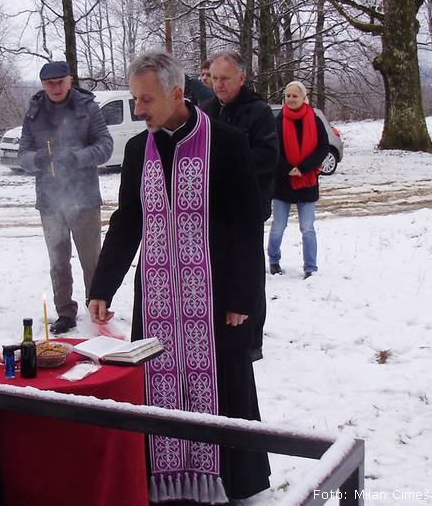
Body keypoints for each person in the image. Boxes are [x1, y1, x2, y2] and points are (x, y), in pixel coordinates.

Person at [87, 51, 270, 503]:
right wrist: (102, 284)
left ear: (176, 93)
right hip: (158, 297)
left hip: (217, 295)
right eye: (134, 100)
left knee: (223, 383)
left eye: (146, 99)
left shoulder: (225, 143)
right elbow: (129, 219)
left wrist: (242, 298)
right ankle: (164, 480)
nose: (138, 110)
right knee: (156, 381)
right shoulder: (137, 149)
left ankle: (234, 482)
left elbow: (248, 224)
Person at [17, 61, 113, 335]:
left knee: (91, 260)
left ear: (70, 80)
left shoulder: (88, 108)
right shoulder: (34, 113)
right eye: (49, 83)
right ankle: (64, 312)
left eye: (60, 81)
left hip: (84, 198)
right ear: (43, 84)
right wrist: (37, 159)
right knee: (58, 260)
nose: (55, 87)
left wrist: (77, 158)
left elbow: (105, 145)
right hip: (49, 200)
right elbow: (22, 153)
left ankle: (98, 308)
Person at [201, 50, 278, 362]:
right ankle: (219, 326)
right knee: (219, 270)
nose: (218, 85)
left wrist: (230, 161)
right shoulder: (206, 110)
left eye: (225, 79)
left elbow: (269, 157)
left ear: (241, 78)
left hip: (249, 206)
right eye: (214, 78)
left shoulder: (258, 112)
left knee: (248, 273)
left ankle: (252, 338)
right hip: (214, 208)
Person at [267, 80, 329, 279]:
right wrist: (287, 169)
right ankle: (274, 261)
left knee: (307, 228)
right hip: (282, 182)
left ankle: (310, 267)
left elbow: (323, 148)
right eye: (288, 96)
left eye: (295, 95)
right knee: (278, 226)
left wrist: (303, 168)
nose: (291, 99)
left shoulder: (315, 119)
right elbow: (272, 149)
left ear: (304, 98)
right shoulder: (277, 121)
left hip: (307, 181)